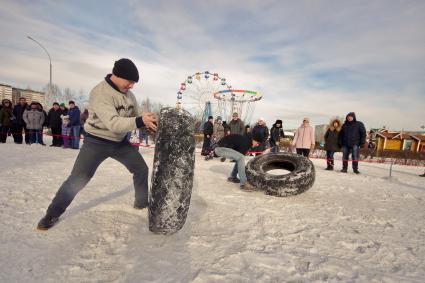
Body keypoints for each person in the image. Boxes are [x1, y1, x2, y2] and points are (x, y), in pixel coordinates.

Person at [37, 58, 158, 230]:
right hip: (96, 142)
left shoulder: (129, 95)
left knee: (141, 169)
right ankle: (51, 215)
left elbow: (136, 113)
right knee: (78, 179)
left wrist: (149, 118)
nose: (132, 86)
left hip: (119, 143)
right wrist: (140, 120)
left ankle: (141, 205)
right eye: (129, 81)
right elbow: (114, 123)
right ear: (117, 75)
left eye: (134, 83)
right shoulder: (100, 92)